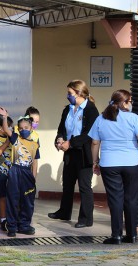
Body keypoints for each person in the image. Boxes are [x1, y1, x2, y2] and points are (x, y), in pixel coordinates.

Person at [88, 90, 138, 244]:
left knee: (115, 199)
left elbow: (94, 142)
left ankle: (117, 235)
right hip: (132, 163)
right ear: (124, 103)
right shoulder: (134, 118)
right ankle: (132, 235)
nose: (131, 104)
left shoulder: (101, 118)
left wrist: (95, 162)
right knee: (131, 199)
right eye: (130, 101)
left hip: (109, 163)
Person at [48, 79, 99, 228]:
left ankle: (86, 218)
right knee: (68, 184)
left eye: (69, 93)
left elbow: (89, 134)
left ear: (78, 93)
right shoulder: (68, 109)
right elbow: (61, 129)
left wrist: (70, 143)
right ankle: (64, 212)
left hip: (84, 153)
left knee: (84, 186)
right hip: (70, 153)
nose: (67, 95)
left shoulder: (90, 109)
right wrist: (59, 139)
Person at [0, 108, 40, 237]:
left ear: (31, 128)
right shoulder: (15, 139)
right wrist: (5, 117)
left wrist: (34, 176)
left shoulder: (35, 144)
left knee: (27, 200)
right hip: (15, 171)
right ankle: (11, 226)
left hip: (27, 173)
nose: (23, 130)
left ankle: (24, 225)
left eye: (26, 127)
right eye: (20, 128)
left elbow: (35, 162)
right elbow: (6, 129)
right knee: (13, 199)